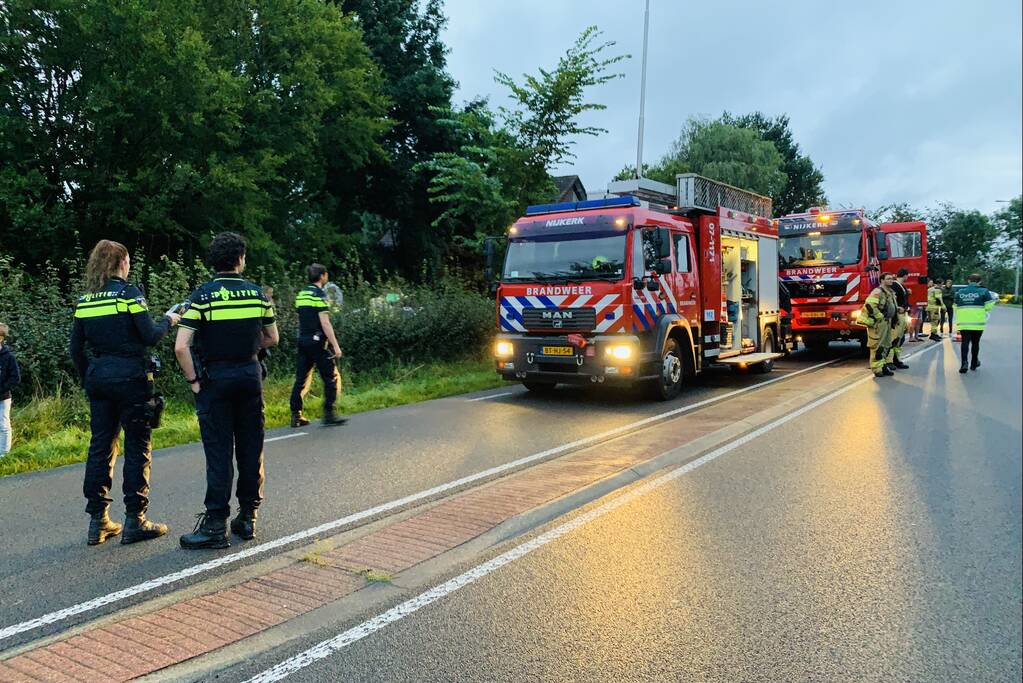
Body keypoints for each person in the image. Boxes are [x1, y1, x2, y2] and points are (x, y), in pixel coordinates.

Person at [69, 240, 181, 545]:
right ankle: (136, 520)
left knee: (101, 446)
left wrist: (89, 377)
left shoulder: (86, 301)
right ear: (121, 263)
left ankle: (98, 521)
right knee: (137, 446)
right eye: (128, 261)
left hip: (99, 379)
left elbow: (75, 348)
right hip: (131, 378)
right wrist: (169, 320)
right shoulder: (130, 294)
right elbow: (150, 335)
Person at [174, 232, 278, 548]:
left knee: (219, 452)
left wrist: (194, 381)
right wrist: (247, 347)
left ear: (213, 262)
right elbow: (273, 338)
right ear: (240, 259)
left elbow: (181, 347)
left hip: (215, 380)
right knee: (250, 447)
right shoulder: (258, 296)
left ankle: (215, 525)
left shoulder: (201, 297)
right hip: (249, 376)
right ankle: (248, 517)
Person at [290, 264, 346, 427]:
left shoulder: (301, 294)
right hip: (318, 342)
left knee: (301, 378)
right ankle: (329, 414)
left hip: (303, 340)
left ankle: (296, 414)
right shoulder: (319, 295)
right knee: (331, 377)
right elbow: (325, 322)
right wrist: (336, 346)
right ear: (323, 276)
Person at [953, 273, 997, 374]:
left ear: (968, 281)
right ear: (980, 281)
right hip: (977, 323)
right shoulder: (984, 291)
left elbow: (955, 307)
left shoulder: (960, 292)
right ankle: (974, 363)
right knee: (975, 343)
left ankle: (964, 363)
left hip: (964, 323)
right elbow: (989, 307)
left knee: (965, 342)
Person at [862, 272, 898, 377]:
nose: (891, 280)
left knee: (886, 345)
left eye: (892, 278)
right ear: (882, 280)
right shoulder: (877, 292)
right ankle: (877, 369)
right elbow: (869, 305)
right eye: (888, 278)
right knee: (877, 346)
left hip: (887, 322)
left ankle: (883, 366)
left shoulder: (889, 292)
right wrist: (879, 316)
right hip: (879, 323)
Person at [0, 322, 22, 457]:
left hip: (3, 398)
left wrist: (1, 389)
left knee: (3, 426)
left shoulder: (9, 357)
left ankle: (4, 456)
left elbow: (15, 378)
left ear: (1, 338)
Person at [886, 268, 911, 371]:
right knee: (893, 338)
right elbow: (892, 301)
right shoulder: (895, 286)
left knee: (900, 339)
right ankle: (889, 361)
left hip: (903, 314)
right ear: (905, 275)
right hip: (897, 315)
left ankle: (896, 359)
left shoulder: (901, 286)